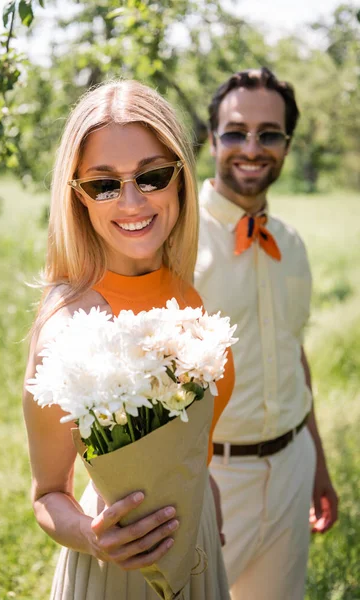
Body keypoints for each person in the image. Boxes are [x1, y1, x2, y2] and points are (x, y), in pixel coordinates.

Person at [23, 80, 234, 600]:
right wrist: (94, 539)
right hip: (118, 566)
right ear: (78, 197)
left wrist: (205, 497)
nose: (132, 200)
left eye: (153, 175)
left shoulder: (187, 296)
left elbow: (190, 443)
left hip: (201, 542)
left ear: (181, 180)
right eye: (104, 184)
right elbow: (48, 494)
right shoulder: (69, 324)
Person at [194, 67, 339, 600]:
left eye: (269, 133)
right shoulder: (176, 239)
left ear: (286, 144)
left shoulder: (292, 243)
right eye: (235, 131)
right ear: (212, 139)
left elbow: (291, 352)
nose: (251, 147)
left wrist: (317, 464)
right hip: (208, 481)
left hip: (290, 471)